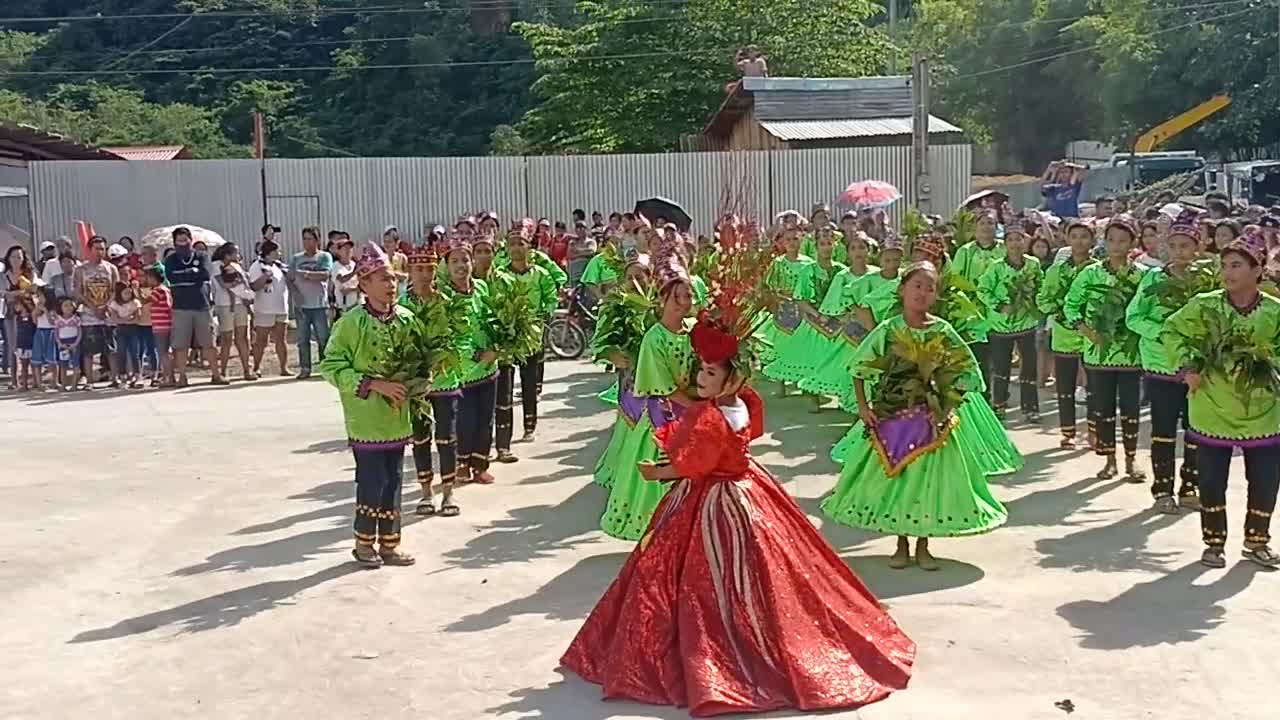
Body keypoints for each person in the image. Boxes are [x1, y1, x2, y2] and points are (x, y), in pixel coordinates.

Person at [562, 250, 914, 717]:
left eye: (708, 372)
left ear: (728, 376)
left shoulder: (713, 416)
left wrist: (659, 471)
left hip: (714, 498)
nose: (698, 375)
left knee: (699, 583)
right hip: (747, 489)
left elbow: (696, 465)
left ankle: (717, 655)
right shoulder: (740, 404)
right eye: (700, 369)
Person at [824, 261, 1008, 569]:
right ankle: (900, 542)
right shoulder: (889, 329)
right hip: (892, 416)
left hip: (931, 419)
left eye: (929, 287)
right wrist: (863, 407)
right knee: (899, 481)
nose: (922, 293)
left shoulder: (942, 330)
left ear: (936, 295)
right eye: (916, 286)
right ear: (902, 290)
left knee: (926, 482)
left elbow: (966, 372)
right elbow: (858, 366)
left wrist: (947, 408)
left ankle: (923, 544)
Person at [1162, 226, 1280, 568]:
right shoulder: (1204, 305)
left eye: (1236, 266)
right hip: (1211, 404)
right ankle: (1213, 543)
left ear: (1258, 270)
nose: (1227, 272)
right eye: (1225, 265)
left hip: (1263, 409)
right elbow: (1171, 331)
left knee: (1265, 479)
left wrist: (1268, 362)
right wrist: (1188, 368)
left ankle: (1257, 540)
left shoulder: (1273, 310)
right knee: (1212, 480)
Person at [320, 243, 417, 569]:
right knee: (372, 480)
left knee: (394, 480)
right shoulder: (351, 323)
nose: (391, 285)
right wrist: (375, 384)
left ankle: (390, 544)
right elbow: (331, 366)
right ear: (363, 285)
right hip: (365, 419)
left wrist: (422, 380)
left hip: (397, 417)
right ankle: (363, 543)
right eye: (382, 279)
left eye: (392, 279)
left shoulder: (406, 319)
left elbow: (419, 360)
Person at [598, 233, 696, 540]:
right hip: (663, 416)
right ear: (661, 300)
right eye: (676, 297)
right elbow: (663, 389)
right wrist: (699, 407)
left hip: (691, 409)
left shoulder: (694, 329)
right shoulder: (654, 338)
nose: (683, 303)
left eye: (688, 296)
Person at [1126, 212, 1207, 514]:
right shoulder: (1154, 278)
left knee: (1196, 430)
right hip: (1162, 365)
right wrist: (1165, 332)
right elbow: (1133, 317)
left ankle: (1190, 487)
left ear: (1197, 248)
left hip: (1196, 368)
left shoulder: (1205, 280)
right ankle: (1162, 490)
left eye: (1186, 246)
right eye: (1174, 246)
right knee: (1162, 431)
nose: (1180, 252)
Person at [1065, 216, 1146, 481]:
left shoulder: (1141, 275)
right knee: (1103, 407)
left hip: (1130, 354)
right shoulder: (1091, 273)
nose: (1115, 245)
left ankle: (1131, 460)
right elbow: (1071, 305)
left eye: (1122, 241)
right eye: (1111, 239)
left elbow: (1146, 309)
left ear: (1133, 243)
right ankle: (1109, 459)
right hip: (1097, 353)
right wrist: (1087, 331)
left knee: (1131, 408)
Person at [400, 244, 463, 518]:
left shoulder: (448, 301)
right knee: (421, 436)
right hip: (415, 383)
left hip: (445, 379)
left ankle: (449, 491)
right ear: (409, 272)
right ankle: (426, 491)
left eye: (429, 268)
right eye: (419, 269)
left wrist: (444, 357)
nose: (424, 274)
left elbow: (461, 336)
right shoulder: (401, 306)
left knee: (446, 437)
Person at [494, 223, 558, 461]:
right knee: (505, 388)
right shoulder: (501, 275)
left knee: (529, 384)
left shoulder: (540, 274)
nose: (516, 248)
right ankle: (503, 439)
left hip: (531, 335)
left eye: (520, 243)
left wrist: (544, 314)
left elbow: (551, 296)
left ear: (529, 247)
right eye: (512, 244)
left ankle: (529, 425)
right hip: (509, 337)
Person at [443, 230, 500, 485]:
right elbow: (449, 336)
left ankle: (480, 464)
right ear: (446, 266)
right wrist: (477, 354)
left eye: (464, 260)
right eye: (454, 261)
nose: (460, 266)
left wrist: (498, 346)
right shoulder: (445, 298)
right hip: (463, 371)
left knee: (486, 419)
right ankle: (462, 462)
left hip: (490, 367)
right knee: (465, 420)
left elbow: (493, 321)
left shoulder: (482, 288)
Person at [1037, 220, 1096, 448]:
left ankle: (1093, 431)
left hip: (1090, 336)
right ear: (1067, 240)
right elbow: (1042, 300)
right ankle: (1068, 432)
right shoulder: (1057, 270)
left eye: (1084, 236)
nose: (1079, 241)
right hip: (1063, 335)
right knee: (1065, 387)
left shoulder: (1098, 270)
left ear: (1092, 240)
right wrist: (1059, 311)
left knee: (1094, 388)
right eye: (1075, 236)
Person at [978, 221, 1044, 422]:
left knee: (1029, 366)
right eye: (1011, 240)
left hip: (1026, 323)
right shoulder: (996, 267)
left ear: (1026, 242)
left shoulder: (1033, 264)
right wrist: (999, 306)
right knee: (1001, 368)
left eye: (1019, 239)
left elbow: (1040, 286)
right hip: (1001, 325)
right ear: (1005, 243)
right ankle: (999, 405)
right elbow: (982, 290)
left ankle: (1030, 408)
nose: (1015, 244)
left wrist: (1035, 301)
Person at [163, 227, 223, 387]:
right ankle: (182, 376)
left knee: (208, 342)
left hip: (201, 305)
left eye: (185, 240)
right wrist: (191, 273)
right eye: (179, 241)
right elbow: (170, 277)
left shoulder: (202, 256)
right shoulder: (170, 259)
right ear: (174, 242)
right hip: (180, 306)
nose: (183, 244)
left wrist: (184, 274)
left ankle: (216, 374)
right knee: (180, 344)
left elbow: (204, 274)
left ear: (191, 240)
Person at [71, 236, 120, 390]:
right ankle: (89, 380)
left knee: (111, 348)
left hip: (107, 315)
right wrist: (93, 307)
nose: (100, 252)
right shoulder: (81, 270)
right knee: (89, 350)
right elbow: (78, 292)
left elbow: (116, 290)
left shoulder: (111, 268)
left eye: (102, 249)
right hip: (89, 315)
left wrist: (105, 306)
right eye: (97, 248)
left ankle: (115, 377)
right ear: (90, 250)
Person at [289, 226, 334, 379]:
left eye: (309, 239)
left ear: (317, 240)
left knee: (323, 337)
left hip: (319, 305)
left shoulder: (324, 257)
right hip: (302, 305)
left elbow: (325, 275)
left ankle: (325, 367)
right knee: (302, 338)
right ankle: (305, 368)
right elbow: (290, 277)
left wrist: (306, 274)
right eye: (304, 239)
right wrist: (295, 293)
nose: (306, 242)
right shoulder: (296, 258)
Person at [211, 244, 255, 381]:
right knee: (227, 339)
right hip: (225, 305)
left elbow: (244, 283)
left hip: (240, 303)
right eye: (236, 252)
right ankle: (222, 372)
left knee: (242, 338)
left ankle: (247, 370)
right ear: (227, 254)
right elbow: (224, 284)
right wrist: (236, 283)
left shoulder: (237, 266)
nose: (238, 255)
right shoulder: (216, 266)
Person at [249, 239, 291, 377]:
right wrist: (265, 276)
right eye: (277, 251)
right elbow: (254, 286)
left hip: (280, 307)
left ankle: (284, 368)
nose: (279, 253)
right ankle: (256, 367)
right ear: (268, 253)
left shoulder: (280, 266)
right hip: (264, 308)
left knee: (281, 338)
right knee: (262, 339)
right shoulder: (257, 266)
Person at [107, 283, 143, 388]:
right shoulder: (115, 304)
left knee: (134, 353)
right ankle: (122, 377)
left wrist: (123, 320)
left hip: (133, 330)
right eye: (125, 293)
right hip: (120, 330)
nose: (128, 295)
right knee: (121, 353)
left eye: (129, 293)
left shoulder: (135, 303)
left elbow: (137, 318)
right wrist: (127, 319)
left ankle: (137, 376)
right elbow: (114, 319)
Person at [53, 296, 82, 391]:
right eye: (65, 305)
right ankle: (63, 384)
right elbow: (56, 333)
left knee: (75, 363)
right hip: (63, 342)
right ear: (60, 307)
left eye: (70, 305)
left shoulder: (76, 319)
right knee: (63, 364)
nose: (68, 307)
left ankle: (74, 384)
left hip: (74, 342)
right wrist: (60, 343)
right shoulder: (58, 320)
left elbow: (79, 332)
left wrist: (76, 343)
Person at [329, 234, 359, 318]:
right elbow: (342, 279)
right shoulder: (336, 266)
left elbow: (361, 284)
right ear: (338, 251)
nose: (348, 250)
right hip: (343, 307)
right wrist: (355, 272)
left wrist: (351, 289)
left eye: (350, 248)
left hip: (357, 305)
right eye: (345, 248)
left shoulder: (354, 264)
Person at [381, 226, 410, 295]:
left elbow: (408, 276)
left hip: (400, 293)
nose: (387, 244)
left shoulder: (402, 258)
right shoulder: (380, 260)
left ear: (397, 243)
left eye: (390, 242)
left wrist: (395, 274)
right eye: (385, 242)